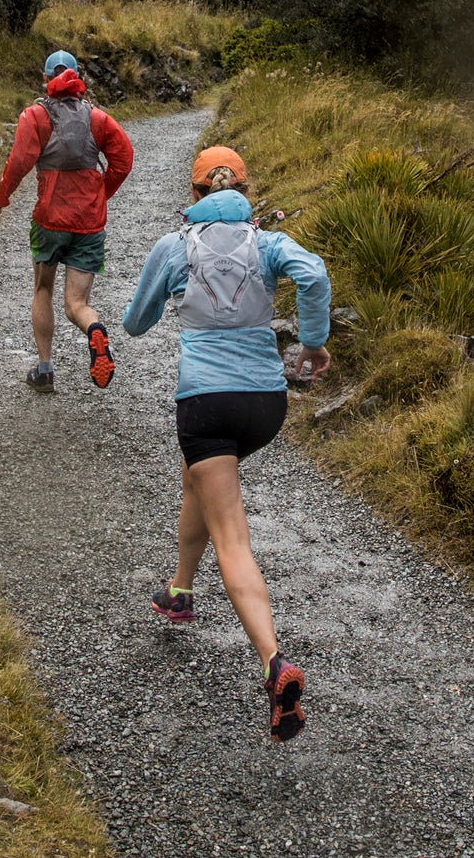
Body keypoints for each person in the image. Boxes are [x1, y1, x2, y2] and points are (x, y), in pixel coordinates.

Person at [121, 145, 331, 742]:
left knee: (231, 535)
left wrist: (169, 299)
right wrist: (313, 344)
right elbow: (313, 273)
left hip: (207, 405)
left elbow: (136, 323)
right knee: (201, 483)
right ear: (243, 187)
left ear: (194, 194)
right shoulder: (265, 243)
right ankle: (180, 591)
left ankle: (274, 664)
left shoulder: (174, 244)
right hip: (266, 404)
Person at [0, 50, 134, 392]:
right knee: (76, 304)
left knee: (43, 288)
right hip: (89, 224)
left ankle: (45, 371)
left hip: (49, 222)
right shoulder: (98, 118)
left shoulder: (35, 115)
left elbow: (18, 164)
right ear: (79, 79)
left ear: (45, 78)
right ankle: (96, 332)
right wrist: (99, 195)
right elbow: (124, 161)